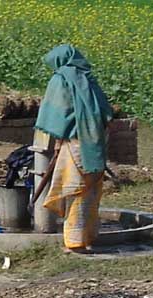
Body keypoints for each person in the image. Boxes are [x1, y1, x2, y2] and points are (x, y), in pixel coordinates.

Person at [35, 45, 113, 253]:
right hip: (94, 144)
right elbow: (106, 112)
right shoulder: (89, 79)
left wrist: (57, 133)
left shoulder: (60, 80)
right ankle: (88, 237)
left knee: (73, 188)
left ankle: (75, 242)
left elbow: (56, 114)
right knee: (90, 191)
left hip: (74, 143)